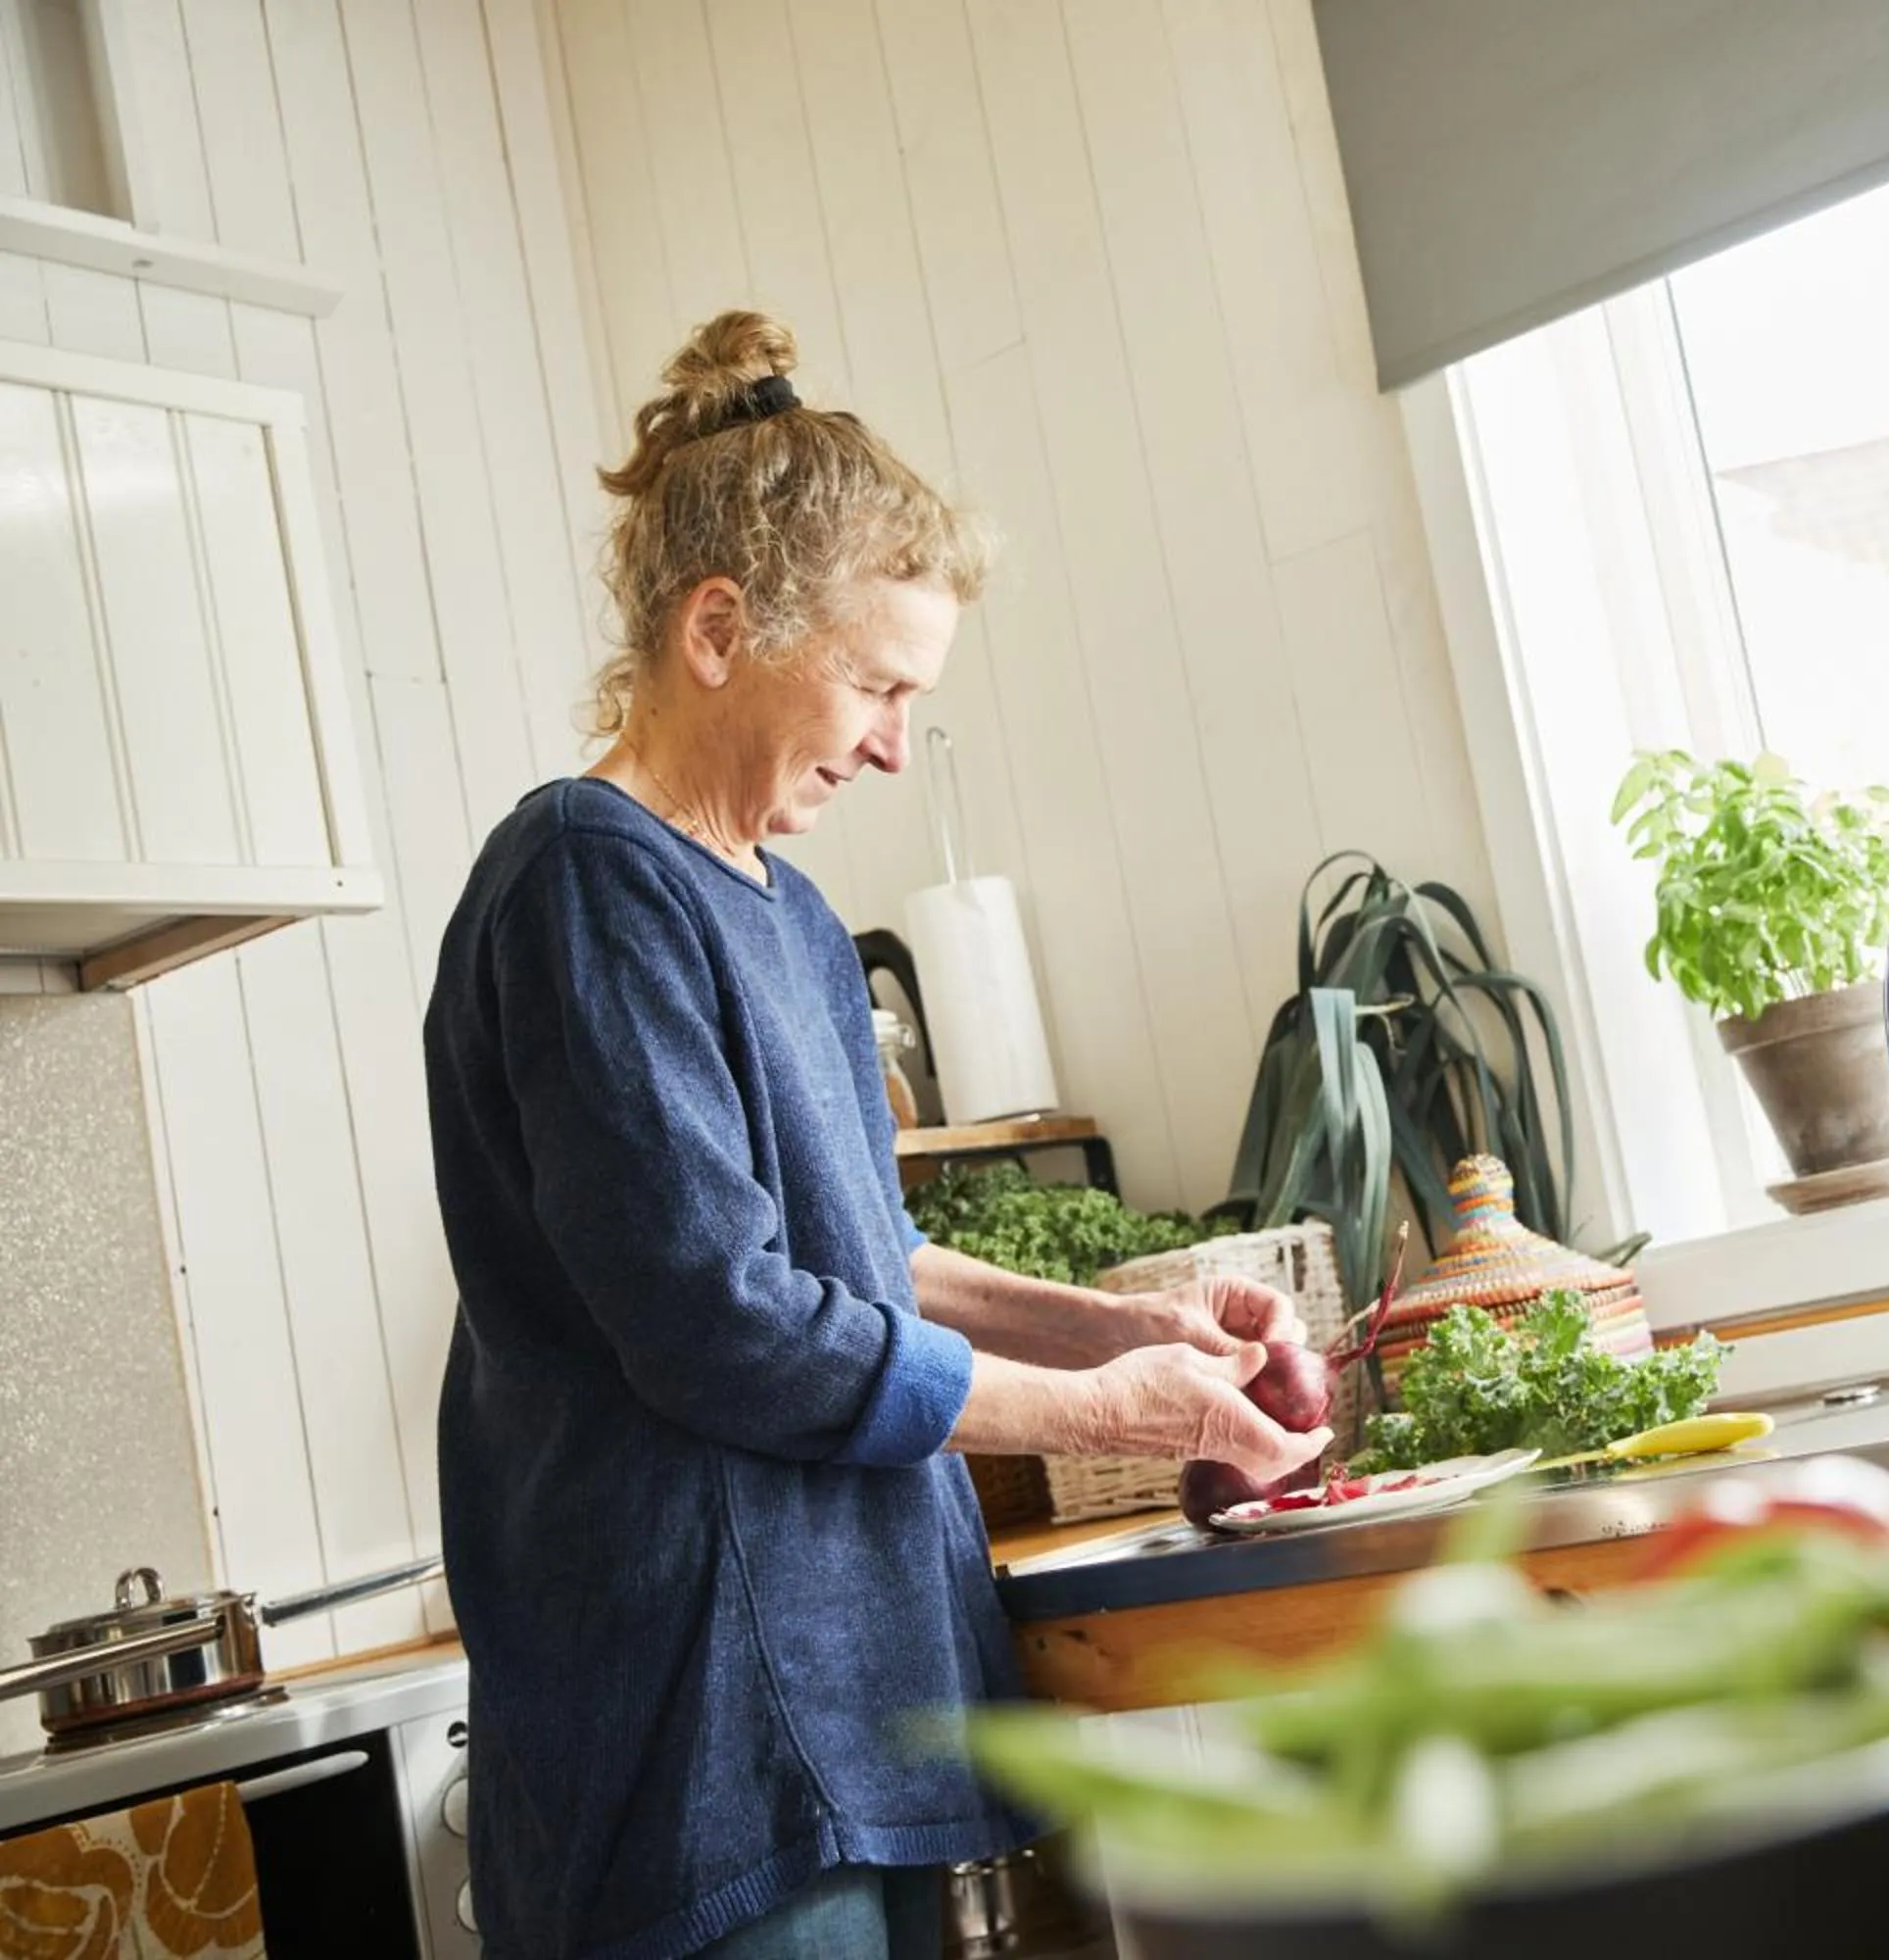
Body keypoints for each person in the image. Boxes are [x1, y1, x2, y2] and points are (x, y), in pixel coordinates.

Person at [425, 310, 1331, 1960]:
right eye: (873, 682)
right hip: (704, 1733)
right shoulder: (588, 880)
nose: (895, 741)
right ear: (717, 629)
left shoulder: (792, 913)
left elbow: (865, 1258)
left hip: (854, 1691)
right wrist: (1093, 1407)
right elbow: (726, 1320)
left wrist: (1131, 1326)